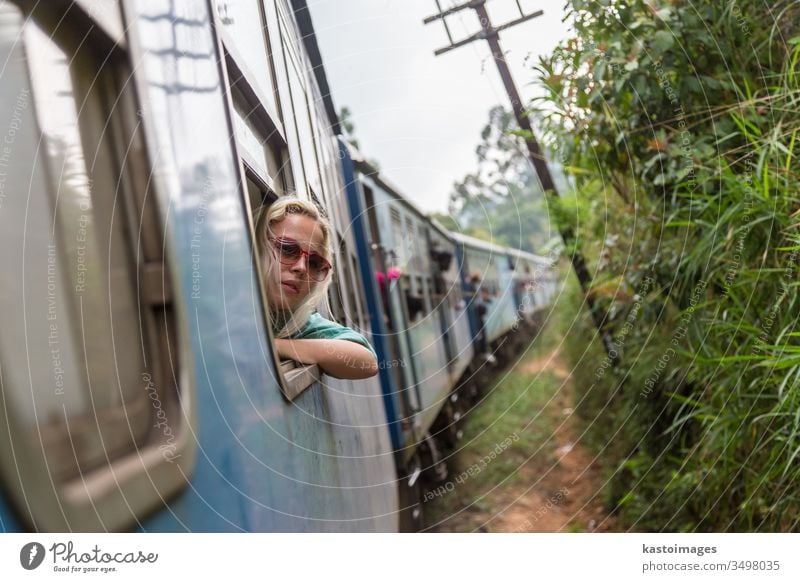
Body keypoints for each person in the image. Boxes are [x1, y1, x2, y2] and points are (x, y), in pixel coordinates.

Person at [255, 197, 378, 379]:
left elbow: (366, 361)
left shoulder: (296, 323)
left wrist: (274, 345)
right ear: (256, 246)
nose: (301, 267)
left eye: (314, 262)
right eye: (287, 249)